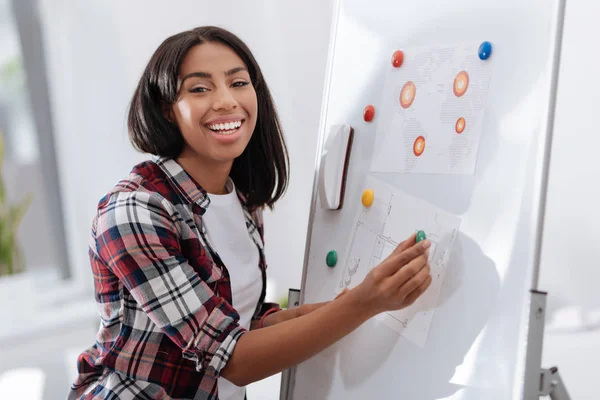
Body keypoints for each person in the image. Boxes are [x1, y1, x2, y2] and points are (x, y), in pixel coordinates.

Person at [67, 26, 432, 400]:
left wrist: (355, 300)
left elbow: (244, 319)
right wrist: (364, 303)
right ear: (167, 110)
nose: (226, 101)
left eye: (238, 83)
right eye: (199, 88)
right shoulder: (135, 211)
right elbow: (232, 360)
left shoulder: (241, 200)